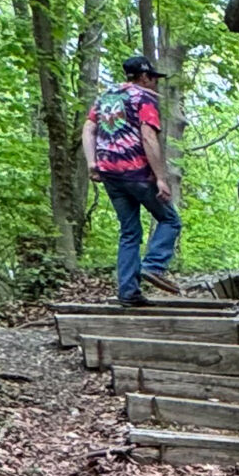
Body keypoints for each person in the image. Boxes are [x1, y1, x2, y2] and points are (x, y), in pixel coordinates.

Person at [82, 52, 181, 307]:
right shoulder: (144, 98)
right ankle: (153, 266)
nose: (156, 83)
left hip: (109, 172)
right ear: (144, 77)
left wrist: (92, 163)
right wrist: (160, 178)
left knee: (129, 232)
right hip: (137, 172)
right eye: (154, 78)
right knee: (170, 220)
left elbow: (89, 128)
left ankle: (128, 292)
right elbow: (148, 137)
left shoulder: (106, 97)